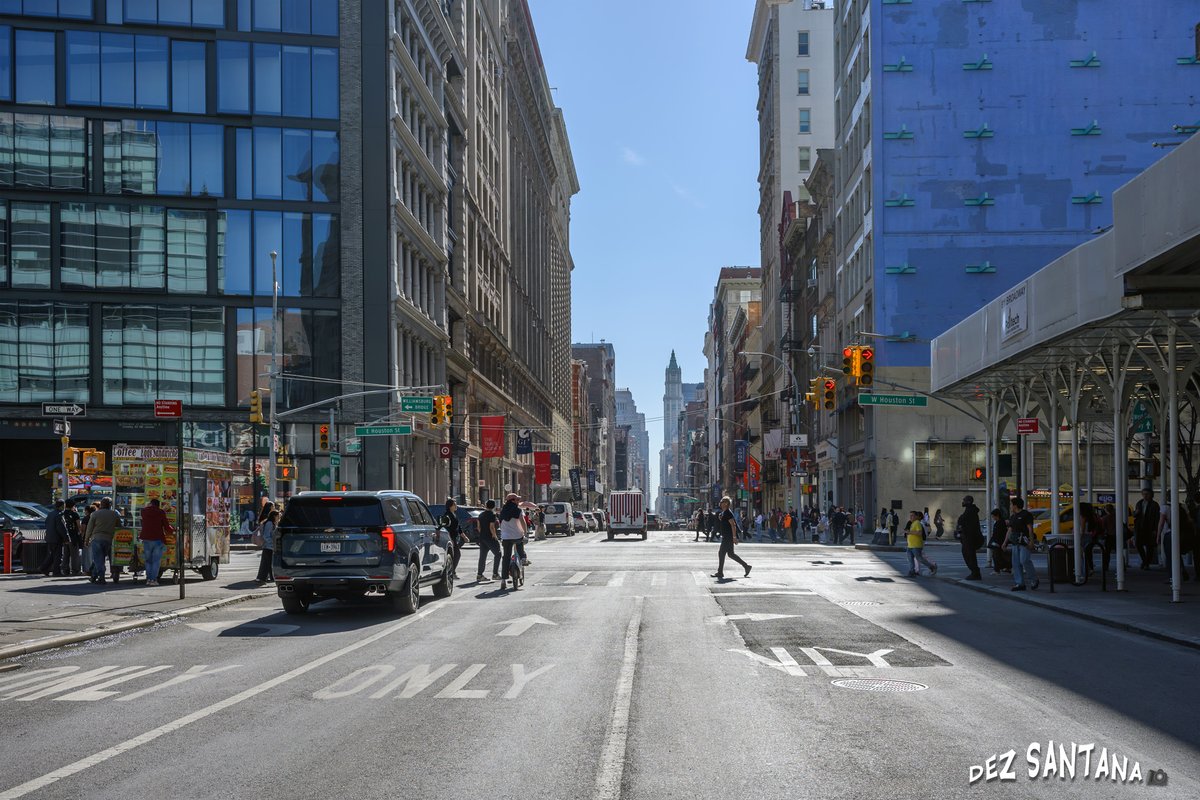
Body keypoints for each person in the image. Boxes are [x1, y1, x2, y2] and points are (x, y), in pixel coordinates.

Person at [712, 496, 751, 579]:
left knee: (721, 553)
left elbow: (733, 525)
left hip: (728, 537)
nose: (720, 503)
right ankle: (746, 566)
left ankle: (720, 572)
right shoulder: (725, 512)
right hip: (726, 536)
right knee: (731, 554)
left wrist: (734, 537)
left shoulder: (728, 513)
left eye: (722, 502)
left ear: (726, 503)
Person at [84, 498, 121, 585]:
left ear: (101, 505)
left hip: (96, 538)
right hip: (109, 539)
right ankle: (109, 573)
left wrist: (86, 539)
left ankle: (101, 577)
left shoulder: (95, 514)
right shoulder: (115, 514)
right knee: (108, 558)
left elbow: (89, 528)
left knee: (98, 559)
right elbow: (119, 527)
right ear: (110, 505)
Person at [1005, 497, 1038, 591]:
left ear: (1015, 505)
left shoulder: (1026, 514)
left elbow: (1030, 528)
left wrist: (1031, 541)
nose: (1010, 506)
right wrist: (1005, 542)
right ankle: (1020, 583)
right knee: (1015, 563)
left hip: (1024, 541)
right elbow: (1010, 530)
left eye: (1011, 504)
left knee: (1024, 560)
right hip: (1015, 542)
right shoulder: (1013, 516)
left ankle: (1034, 579)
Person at [139, 498, 174, 586]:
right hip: (158, 539)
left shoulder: (144, 511)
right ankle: (153, 579)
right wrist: (173, 530)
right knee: (156, 561)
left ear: (151, 504)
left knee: (148, 560)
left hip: (146, 538)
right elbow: (166, 526)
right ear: (158, 505)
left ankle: (148, 579)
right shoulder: (161, 512)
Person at [498, 493, 528, 591]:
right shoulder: (518, 510)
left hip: (506, 537)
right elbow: (523, 522)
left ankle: (503, 580)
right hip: (517, 535)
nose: (518, 502)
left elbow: (500, 523)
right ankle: (523, 558)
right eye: (517, 500)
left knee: (506, 557)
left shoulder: (502, 511)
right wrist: (525, 533)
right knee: (520, 546)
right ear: (513, 501)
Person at [1158, 497, 1192, 582]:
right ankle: (1182, 569)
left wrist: (1158, 535)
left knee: (1169, 556)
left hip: (1169, 533)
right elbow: (1189, 520)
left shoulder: (1165, 507)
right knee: (1177, 553)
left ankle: (1172, 577)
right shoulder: (1183, 506)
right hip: (1182, 534)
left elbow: (1161, 523)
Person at [39, 500, 69, 577]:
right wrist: (66, 538)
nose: (64, 507)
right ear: (62, 506)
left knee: (52, 554)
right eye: (64, 506)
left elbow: (46, 524)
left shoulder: (50, 514)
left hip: (49, 537)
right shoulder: (59, 515)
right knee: (58, 555)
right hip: (57, 538)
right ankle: (56, 572)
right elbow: (61, 528)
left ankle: (44, 568)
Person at [957, 496, 983, 580]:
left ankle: (975, 573)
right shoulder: (969, 511)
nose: (962, 502)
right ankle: (974, 572)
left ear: (968, 501)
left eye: (964, 500)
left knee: (969, 555)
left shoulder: (970, 511)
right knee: (968, 555)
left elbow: (968, 525)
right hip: (968, 537)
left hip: (970, 538)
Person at [475, 499, 502, 582]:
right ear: (493, 506)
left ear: (486, 505)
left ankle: (480, 575)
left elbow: (478, 527)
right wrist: (494, 536)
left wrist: (482, 534)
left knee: (482, 557)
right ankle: (495, 574)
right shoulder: (492, 514)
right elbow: (492, 527)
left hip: (482, 537)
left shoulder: (481, 515)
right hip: (490, 537)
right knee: (498, 554)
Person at [1082, 505, 1111, 580]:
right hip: (1094, 536)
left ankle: (1087, 569)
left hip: (1086, 536)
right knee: (1089, 553)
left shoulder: (1084, 517)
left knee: (1084, 553)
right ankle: (1090, 568)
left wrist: (1080, 536)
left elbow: (1082, 529)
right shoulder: (1095, 516)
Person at [905, 510, 938, 576]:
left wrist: (909, 532)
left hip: (916, 545)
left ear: (916, 517)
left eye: (912, 516)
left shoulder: (917, 523)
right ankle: (912, 571)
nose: (910, 517)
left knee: (920, 559)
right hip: (910, 545)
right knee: (911, 559)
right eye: (910, 516)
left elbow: (919, 533)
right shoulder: (912, 523)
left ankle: (932, 567)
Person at [1133, 488, 1160, 569]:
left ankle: (1146, 563)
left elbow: (1157, 518)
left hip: (1150, 528)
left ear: (1151, 495)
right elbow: (1135, 514)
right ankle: (1145, 561)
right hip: (1140, 527)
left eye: (1147, 494)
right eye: (1144, 494)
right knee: (1138, 544)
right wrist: (1136, 513)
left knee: (1150, 546)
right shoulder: (1140, 503)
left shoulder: (1154, 505)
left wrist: (1155, 529)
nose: (1145, 496)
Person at [437, 498, 464, 577]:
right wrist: (450, 539)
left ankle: (451, 572)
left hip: (454, 538)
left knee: (454, 555)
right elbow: (444, 528)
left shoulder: (454, 514)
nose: (456, 506)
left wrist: (463, 536)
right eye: (454, 504)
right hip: (450, 538)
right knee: (456, 555)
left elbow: (458, 527)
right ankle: (451, 572)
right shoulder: (447, 515)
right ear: (450, 506)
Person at [256, 509, 277, 584]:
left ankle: (271, 577)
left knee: (269, 563)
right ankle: (261, 578)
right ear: (274, 516)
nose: (279, 518)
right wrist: (273, 543)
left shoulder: (272, 523)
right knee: (266, 563)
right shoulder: (269, 523)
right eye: (278, 516)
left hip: (269, 546)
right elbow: (266, 536)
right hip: (268, 546)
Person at [62, 499, 83, 575]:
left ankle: (65, 570)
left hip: (64, 537)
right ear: (73, 505)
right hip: (73, 536)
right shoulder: (75, 514)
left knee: (66, 554)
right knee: (74, 555)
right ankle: (75, 570)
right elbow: (79, 526)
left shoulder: (62, 514)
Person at [987, 508, 1011, 574]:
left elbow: (999, 534)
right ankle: (1006, 567)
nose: (992, 517)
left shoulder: (1000, 523)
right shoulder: (1000, 522)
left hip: (998, 542)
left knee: (996, 556)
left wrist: (998, 543)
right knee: (1000, 556)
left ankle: (997, 570)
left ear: (997, 515)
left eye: (993, 516)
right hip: (999, 542)